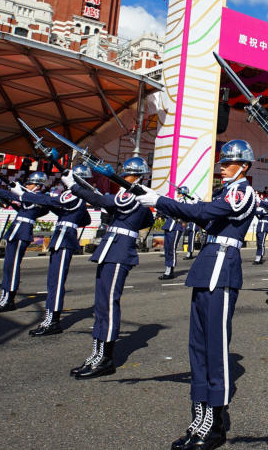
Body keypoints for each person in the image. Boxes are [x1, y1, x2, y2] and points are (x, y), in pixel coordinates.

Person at [138, 140, 258, 450]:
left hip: (222, 269)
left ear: (244, 166)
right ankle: (200, 413)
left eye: (229, 162)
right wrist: (174, 203)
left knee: (215, 350)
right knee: (198, 346)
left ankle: (216, 423)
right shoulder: (225, 192)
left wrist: (160, 201)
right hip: (207, 268)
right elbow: (201, 215)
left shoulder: (242, 191)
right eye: (223, 160)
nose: (223, 165)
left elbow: (206, 211)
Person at [65, 157, 154, 379]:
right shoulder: (128, 197)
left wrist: (74, 187)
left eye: (129, 175)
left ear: (139, 177)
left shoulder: (136, 195)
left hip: (120, 251)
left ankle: (106, 357)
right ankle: (97, 352)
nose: (124, 178)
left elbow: (104, 201)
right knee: (101, 303)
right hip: (110, 249)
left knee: (109, 305)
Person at [18, 164, 93, 336]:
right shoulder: (75, 196)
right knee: (52, 280)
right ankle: (50, 317)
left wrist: (25, 194)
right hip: (61, 236)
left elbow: (53, 201)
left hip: (65, 238)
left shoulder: (75, 195)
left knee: (56, 281)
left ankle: (53, 320)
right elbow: (85, 219)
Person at [0, 172, 50, 312]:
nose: (27, 185)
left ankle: (9, 299)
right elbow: (13, 199)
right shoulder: (29, 197)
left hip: (22, 232)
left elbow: (13, 195)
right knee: (8, 265)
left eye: (30, 184)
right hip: (15, 231)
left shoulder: (42, 197)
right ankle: (5, 296)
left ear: (38, 186)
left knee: (13, 266)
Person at [159, 186, 190, 280]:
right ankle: (167, 268)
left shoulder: (184, 202)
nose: (178, 194)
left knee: (171, 248)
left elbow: (184, 214)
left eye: (179, 193)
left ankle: (170, 270)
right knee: (167, 248)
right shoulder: (175, 201)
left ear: (183, 194)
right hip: (169, 225)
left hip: (176, 226)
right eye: (178, 192)